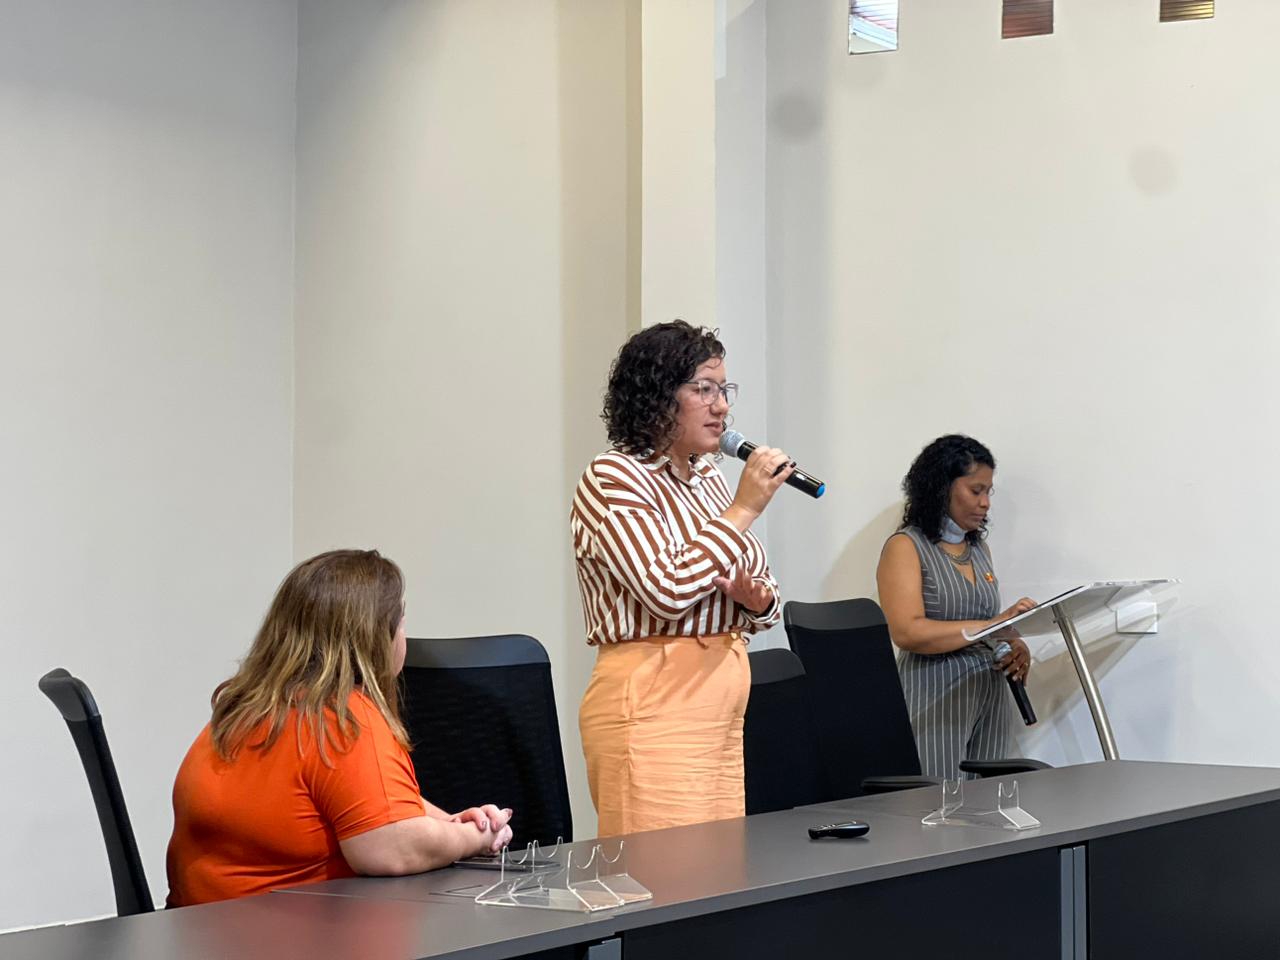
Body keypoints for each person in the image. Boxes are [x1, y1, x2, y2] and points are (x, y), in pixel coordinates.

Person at [166, 549, 513, 906]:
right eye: (401, 622)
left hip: (196, 929)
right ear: (377, 638)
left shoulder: (245, 709)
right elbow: (389, 848)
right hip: (282, 931)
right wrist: (475, 839)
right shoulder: (342, 716)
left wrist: (448, 825)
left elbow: (363, 803)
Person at [571, 320, 792, 837]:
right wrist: (744, 509)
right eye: (705, 389)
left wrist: (754, 600)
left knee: (718, 873)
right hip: (653, 708)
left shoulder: (708, 477)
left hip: (720, 710)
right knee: (662, 872)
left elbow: (767, 593)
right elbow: (666, 590)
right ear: (658, 395)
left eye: (725, 390)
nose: (722, 407)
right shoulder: (614, 476)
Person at [876, 435, 1035, 781]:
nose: (985, 503)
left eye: (989, 492)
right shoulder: (905, 547)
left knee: (991, 799)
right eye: (976, 490)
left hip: (989, 693)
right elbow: (907, 631)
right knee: (939, 802)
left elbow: (985, 622)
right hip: (936, 694)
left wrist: (1014, 643)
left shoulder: (979, 549)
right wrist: (994, 624)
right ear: (941, 487)